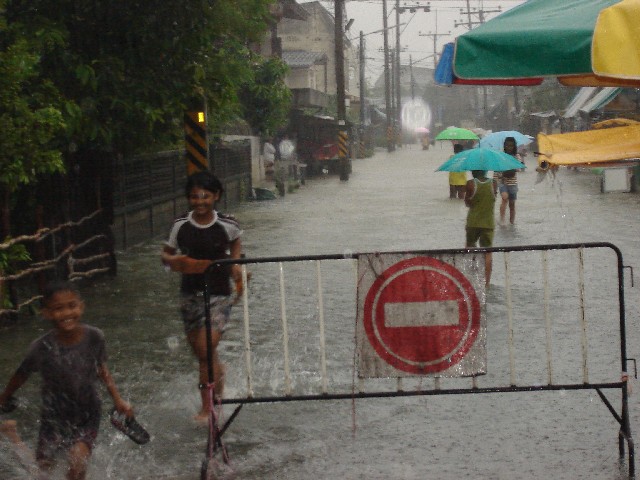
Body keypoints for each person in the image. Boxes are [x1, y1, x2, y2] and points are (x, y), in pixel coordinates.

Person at [0, 280, 133, 480]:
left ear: (81, 306)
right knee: (42, 474)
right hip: (53, 416)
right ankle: (12, 434)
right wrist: (4, 397)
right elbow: (21, 375)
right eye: (58, 308)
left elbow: (102, 369)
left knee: (78, 462)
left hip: (88, 413)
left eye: (72, 306)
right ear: (45, 313)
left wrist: (118, 400)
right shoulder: (41, 347)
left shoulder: (94, 337)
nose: (67, 313)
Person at [161, 170, 242, 423]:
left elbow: (236, 244)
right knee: (203, 354)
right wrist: (177, 261)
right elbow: (166, 255)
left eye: (205, 196)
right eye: (194, 197)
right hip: (190, 295)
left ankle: (208, 408)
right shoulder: (180, 225)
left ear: (216, 196)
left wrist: (237, 267)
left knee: (205, 349)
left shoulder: (228, 224)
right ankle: (218, 373)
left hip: (219, 294)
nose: (200, 201)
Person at [465, 170, 497, 286]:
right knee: (488, 252)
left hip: (472, 222)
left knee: (469, 248)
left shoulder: (470, 184)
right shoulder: (494, 183)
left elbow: (467, 203)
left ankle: (470, 279)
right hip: (488, 223)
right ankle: (486, 283)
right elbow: (494, 199)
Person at [493, 136, 525, 225]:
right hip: (502, 182)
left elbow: (519, 168)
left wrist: (509, 170)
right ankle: (502, 220)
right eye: (507, 146)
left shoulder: (516, 156)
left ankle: (512, 223)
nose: (509, 148)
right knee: (504, 198)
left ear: (514, 146)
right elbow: (496, 171)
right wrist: (494, 186)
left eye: (511, 146)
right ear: (504, 146)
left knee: (512, 204)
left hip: (513, 183)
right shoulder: (500, 156)